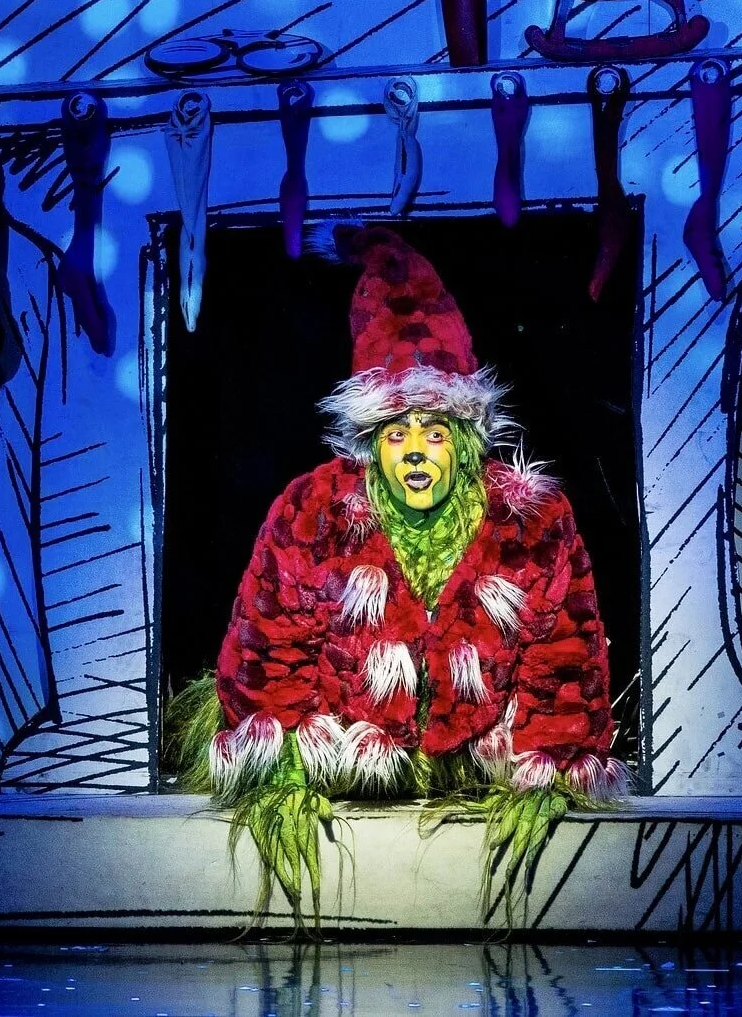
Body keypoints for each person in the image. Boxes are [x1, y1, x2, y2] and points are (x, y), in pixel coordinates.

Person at [170, 224, 627, 919]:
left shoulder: (530, 522)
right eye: (396, 432)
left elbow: (566, 650)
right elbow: (268, 640)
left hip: (473, 750)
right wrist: (283, 756)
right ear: (369, 445)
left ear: (466, 442)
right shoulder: (315, 511)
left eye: (435, 432)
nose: (415, 451)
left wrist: (550, 759)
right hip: (351, 741)